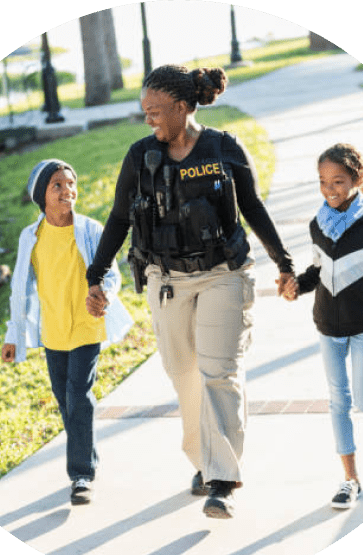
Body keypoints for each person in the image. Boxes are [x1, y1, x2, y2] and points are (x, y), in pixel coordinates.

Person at [85, 64, 294, 519]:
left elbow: (253, 207)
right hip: (166, 280)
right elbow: (120, 218)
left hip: (224, 273)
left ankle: (222, 480)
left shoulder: (223, 147)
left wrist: (284, 263)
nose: (149, 120)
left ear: (182, 108)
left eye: (155, 111)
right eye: (144, 112)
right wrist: (95, 275)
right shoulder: (141, 156)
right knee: (183, 374)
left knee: (219, 372)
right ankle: (204, 460)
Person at [1, 159, 133, 505]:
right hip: (53, 331)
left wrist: (104, 294)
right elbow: (20, 289)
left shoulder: (89, 229)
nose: (67, 191)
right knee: (65, 400)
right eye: (57, 185)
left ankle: (81, 475)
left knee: (79, 396)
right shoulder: (30, 238)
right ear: (41, 195)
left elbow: (112, 275)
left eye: (70, 183)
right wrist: (12, 335)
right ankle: (86, 454)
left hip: (87, 326)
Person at [283, 143, 363, 509]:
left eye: (338, 181)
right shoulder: (317, 225)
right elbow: (319, 270)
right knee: (339, 402)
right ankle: (349, 479)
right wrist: (297, 287)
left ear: (357, 179)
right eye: (323, 182)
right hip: (328, 327)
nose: (330, 190)